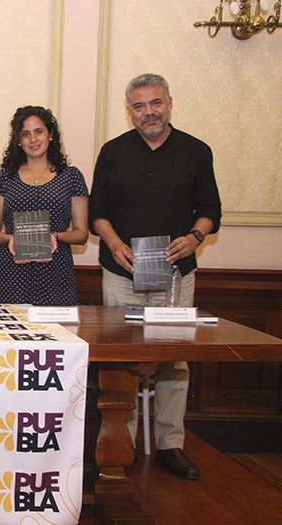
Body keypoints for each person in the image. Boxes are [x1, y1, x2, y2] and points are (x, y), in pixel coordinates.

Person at [89, 73, 221, 480]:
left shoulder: (196, 151)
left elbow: (211, 211)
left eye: (155, 103)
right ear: (129, 110)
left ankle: (170, 444)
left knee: (174, 358)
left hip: (175, 274)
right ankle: (121, 443)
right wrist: (114, 243)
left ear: (169, 103)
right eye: (139, 105)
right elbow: (98, 213)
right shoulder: (113, 152)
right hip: (121, 273)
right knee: (121, 358)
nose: (149, 112)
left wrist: (194, 237)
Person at [0, 106, 88, 305]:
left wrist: (53, 236)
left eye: (39, 131)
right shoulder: (5, 177)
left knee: (56, 325)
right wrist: (12, 239)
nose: (33, 139)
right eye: (25, 134)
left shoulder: (71, 176)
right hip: (11, 274)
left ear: (51, 134)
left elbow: (82, 234)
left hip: (56, 273)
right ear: (18, 140)